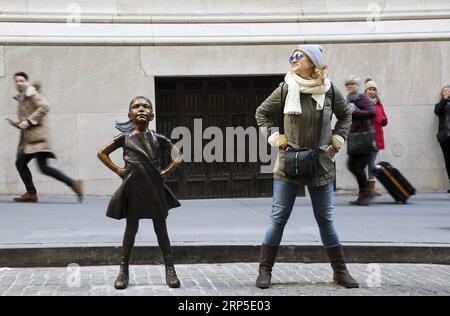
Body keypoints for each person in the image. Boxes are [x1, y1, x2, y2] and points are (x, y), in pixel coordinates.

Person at [255, 45, 358, 289]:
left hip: (321, 163)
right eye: (292, 56)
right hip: (289, 162)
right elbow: (262, 114)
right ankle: (265, 271)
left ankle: (340, 271)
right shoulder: (286, 87)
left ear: (312, 61)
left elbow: (345, 116)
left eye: (298, 56)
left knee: (325, 219)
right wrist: (274, 136)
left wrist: (338, 137)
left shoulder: (329, 90)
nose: (293, 59)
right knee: (278, 218)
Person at [97, 96, 183, 290]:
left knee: (161, 229)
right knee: (131, 229)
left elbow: (177, 156)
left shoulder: (158, 138)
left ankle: (170, 269)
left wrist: (165, 173)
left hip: (154, 188)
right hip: (133, 188)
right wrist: (119, 170)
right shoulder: (124, 138)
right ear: (130, 115)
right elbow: (101, 153)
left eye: (146, 107)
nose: (141, 109)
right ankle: (123, 269)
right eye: (136, 107)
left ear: (151, 115)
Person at [8, 72, 83, 203]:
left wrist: (29, 121)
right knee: (21, 163)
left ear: (26, 82)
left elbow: (45, 107)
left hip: (39, 140)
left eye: (21, 80)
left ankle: (73, 184)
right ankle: (31, 193)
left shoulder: (32, 94)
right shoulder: (23, 97)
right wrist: (20, 124)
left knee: (42, 168)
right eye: (16, 81)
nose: (18, 83)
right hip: (31, 140)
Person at [345, 75, 376, 206]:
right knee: (352, 166)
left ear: (357, 85)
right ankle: (365, 193)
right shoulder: (348, 99)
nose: (350, 86)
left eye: (352, 83)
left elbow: (372, 112)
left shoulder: (361, 97)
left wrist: (355, 112)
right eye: (348, 84)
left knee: (357, 166)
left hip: (364, 137)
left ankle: (365, 194)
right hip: (354, 137)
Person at [364, 77, 388, 197]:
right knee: (365, 164)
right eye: (369, 89)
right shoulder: (363, 103)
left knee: (372, 164)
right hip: (366, 138)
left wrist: (383, 119)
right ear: (365, 91)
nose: (372, 91)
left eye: (374, 89)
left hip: (376, 137)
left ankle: (371, 188)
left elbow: (384, 120)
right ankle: (365, 189)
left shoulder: (379, 104)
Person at [435, 85, 450, 193]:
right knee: (448, 161)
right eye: (444, 91)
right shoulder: (440, 105)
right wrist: (444, 99)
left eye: (448, 89)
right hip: (445, 137)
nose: (446, 91)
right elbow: (437, 112)